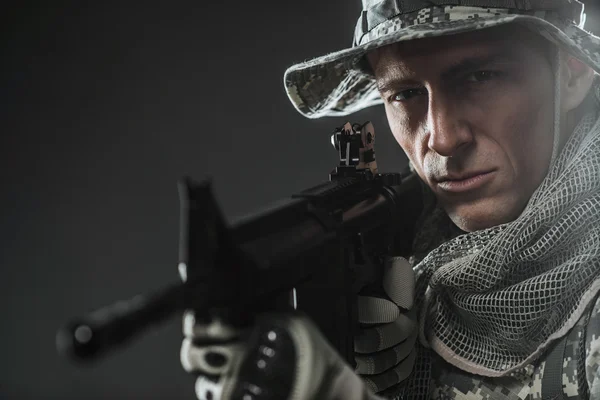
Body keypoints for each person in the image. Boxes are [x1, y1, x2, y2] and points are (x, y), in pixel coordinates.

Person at [180, 0, 600, 398]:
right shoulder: (420, 243)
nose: (442, 137)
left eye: (480, 77)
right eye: (405, 94)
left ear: (573, 70)